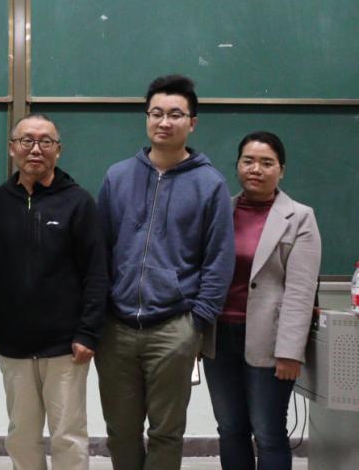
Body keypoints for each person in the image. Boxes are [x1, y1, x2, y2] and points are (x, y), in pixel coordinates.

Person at [95, 74, 235, 470]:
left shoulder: (210, 184)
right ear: (147, 118)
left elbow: (218, 259)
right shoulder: (118, 176)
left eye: (175, 114)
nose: (164, 122)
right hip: (117, 327)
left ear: (192, 123)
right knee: (120, 431)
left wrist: (197, 323)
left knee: (166, 432)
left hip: (174, 327)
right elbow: (100, 249)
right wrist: (100, 312)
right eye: (156, 113)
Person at [0, 114, 108, 470]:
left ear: (58, 150)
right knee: (21, 435)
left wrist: (88, 332)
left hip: (67, 347)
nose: (35, 149)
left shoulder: (78, 202)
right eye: (27, 141)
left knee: (68, 435)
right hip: (13, 345)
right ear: (12, 148)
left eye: (45, 142)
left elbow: (96, 273)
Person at [204, 131, 321, 470]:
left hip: (270, 340)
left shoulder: (300, 217)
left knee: (268, 432)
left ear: (281, 170)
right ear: (237, 166)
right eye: (248, 161)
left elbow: (300, 291)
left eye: (267, 163)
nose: (256, 169)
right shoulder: (220, 211)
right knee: (230, 428)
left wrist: (290, 351)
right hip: (219, 336)